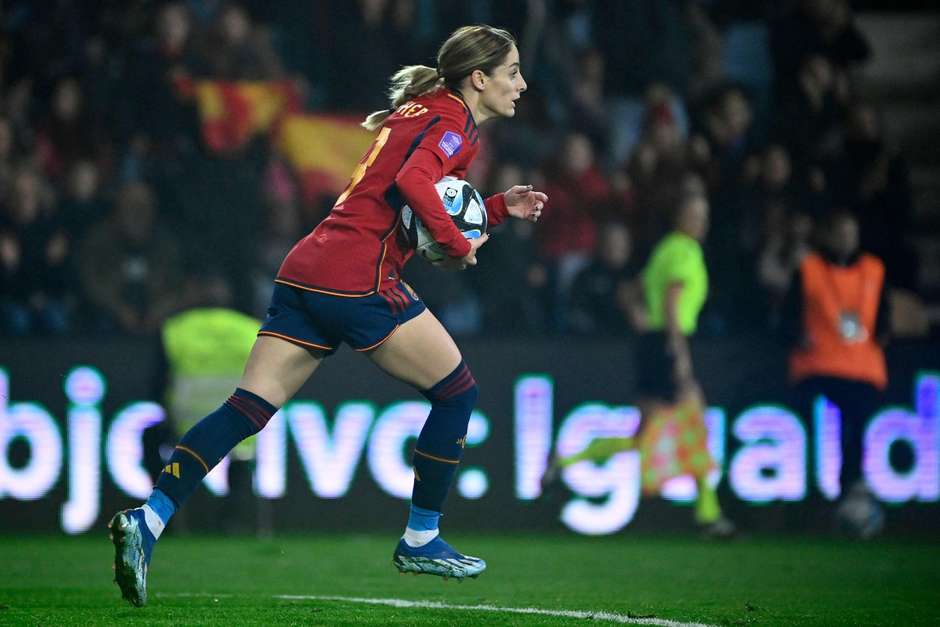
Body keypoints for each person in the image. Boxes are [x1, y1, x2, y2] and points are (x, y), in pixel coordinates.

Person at [108, 24, 547, 606]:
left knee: (247, 407)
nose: (521, 83)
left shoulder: (424, 109)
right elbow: (418, 185)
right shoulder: (452, 123)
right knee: (457, 392)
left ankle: (150, 519)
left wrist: (494, 210)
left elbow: (417, 198)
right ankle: (422, 536)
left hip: (307, 268)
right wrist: (461, 242)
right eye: (512, 72)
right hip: (358, 277)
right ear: (479, 78)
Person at [542, 193, 734, 538]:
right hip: (668, 344)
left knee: (643, 435)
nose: (701, 222)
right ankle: (710, 515)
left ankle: (563, 462)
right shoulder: (685, 251)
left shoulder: (664, 250)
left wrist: (644, 325)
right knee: (695, 425)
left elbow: (629, 291)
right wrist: (679, 353)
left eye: (703, 215)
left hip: (651, 343)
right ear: (681, 218)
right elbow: (673, 303)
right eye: (695, 214)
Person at [783, 210, 889, 538]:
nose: (846, 239)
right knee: (811, 427)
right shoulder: (809, 269)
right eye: (840, 232)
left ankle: (853, 488)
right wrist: (796, 337)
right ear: (828, 235)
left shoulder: (874, 270)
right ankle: (811, 495)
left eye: (850, 233)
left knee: (855, 427)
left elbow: (883, 320)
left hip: (860, 368)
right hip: (817, 365)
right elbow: (789, 315)